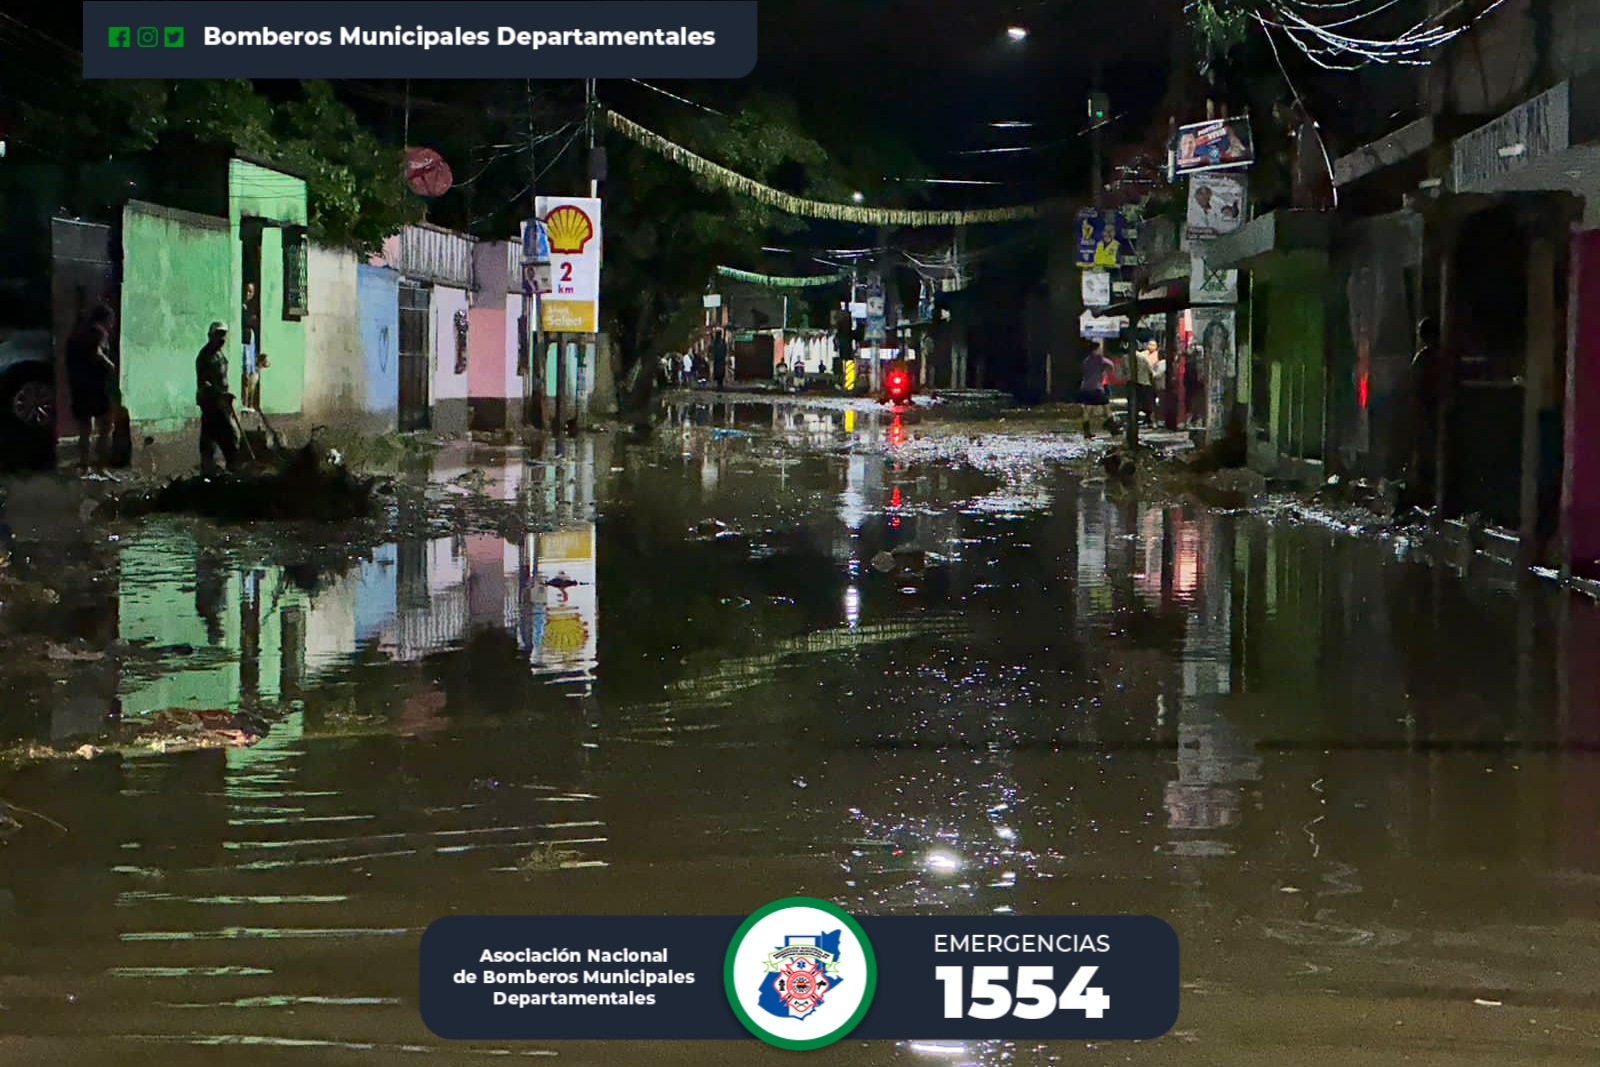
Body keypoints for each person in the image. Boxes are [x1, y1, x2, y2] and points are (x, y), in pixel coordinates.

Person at [66, 304, 117, 472]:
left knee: (84, 430)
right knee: (105, 427)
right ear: (105, 319)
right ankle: (101, 467)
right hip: (97, 388)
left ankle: (84, 465)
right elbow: (97, 353)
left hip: (79, 388)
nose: (112, 324)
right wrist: (110, 366)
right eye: (111, 320)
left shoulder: (74, 336)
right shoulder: (99, 332)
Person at [195, 321, 239, 475]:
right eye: (218, 335)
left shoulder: (220, 355)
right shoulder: (205, 356)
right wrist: (219, 394)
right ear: (210, 336)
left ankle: (230, 470)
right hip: (211, 404)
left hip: (221, 403)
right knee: (215, 438)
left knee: (229, 438)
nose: (222, 339)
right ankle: (210, 472)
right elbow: (203, 383)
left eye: (224, 335)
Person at [1076, 342, 1111, 438]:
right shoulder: (1099, 359)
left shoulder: (1086, 361)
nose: (1100, 351)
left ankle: (1086, 432)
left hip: (1085, 387)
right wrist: (1105, 370)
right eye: (1099, 349)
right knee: (1106, 407)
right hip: (1096, 388)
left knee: (1087, 409)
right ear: (1095, 350)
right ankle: (1112, 427)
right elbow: (1110, 364)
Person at [1184, 343, 1206, 428]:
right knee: (1196, 403)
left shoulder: (1190, 363)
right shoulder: (1196, 364)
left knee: (1193, 403)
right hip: (1195, 385)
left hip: (1193, 385)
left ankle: (1192, 420)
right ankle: (1195, 421)